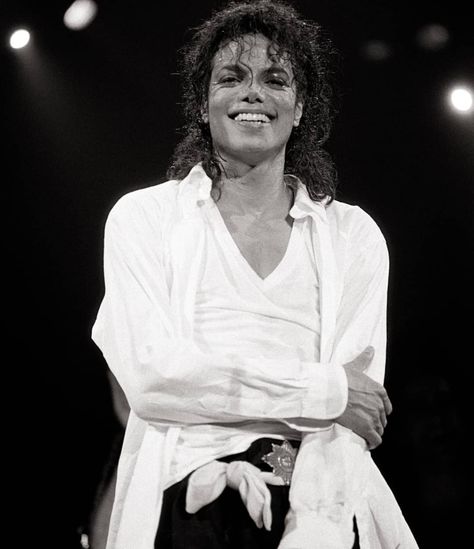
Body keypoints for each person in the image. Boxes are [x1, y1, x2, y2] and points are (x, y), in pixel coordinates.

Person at [91, 1, 419, 547]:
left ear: (300, 104)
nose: (253, 93)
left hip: (321, 504)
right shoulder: (143, 218)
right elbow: (153, 380)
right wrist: (323, 389)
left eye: (275, 78)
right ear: (203, 102)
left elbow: (355, 412)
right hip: (185, 504)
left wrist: (313, 528)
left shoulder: (352, 236)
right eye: (231, 77)